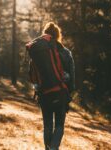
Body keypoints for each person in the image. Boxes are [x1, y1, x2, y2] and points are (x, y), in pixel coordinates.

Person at [27, 22, 75, 150]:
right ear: (58, 35)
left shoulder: (39, 52)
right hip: (61, 93)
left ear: (46, 35)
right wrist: (69, 93)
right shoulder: (66, 53)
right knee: (59, 126)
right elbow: (72, 77)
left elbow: (33, 76)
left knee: (48, 125)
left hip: (44, 94)